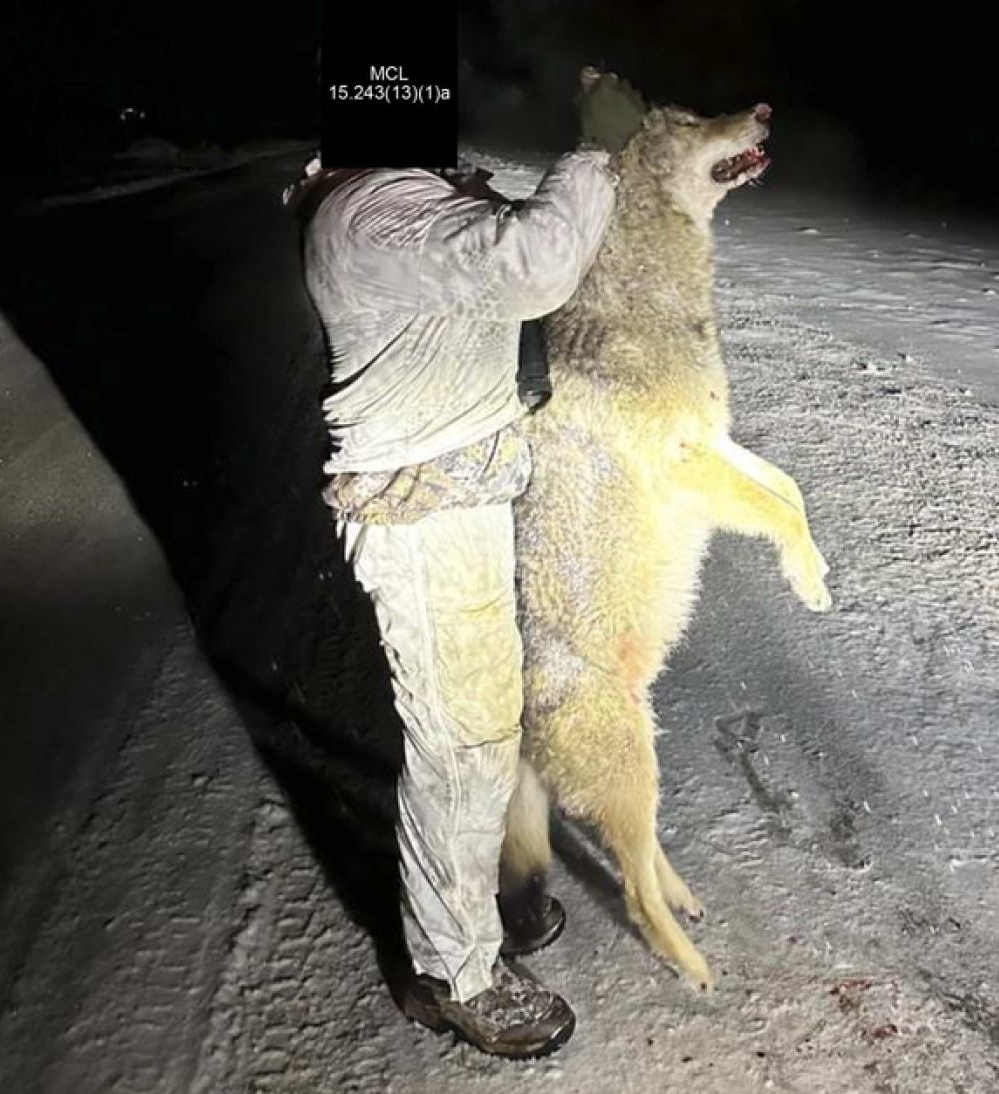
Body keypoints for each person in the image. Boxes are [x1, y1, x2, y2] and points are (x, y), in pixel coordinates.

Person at [283, 75, 642, 1059]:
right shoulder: (376, 210)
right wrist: (593, 153)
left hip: (458, 488)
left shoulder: (402, 194)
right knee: (462, 741)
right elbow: (532, 263)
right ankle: (453, 969)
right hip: (423, 514)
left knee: (480, 725)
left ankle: (469, 892)